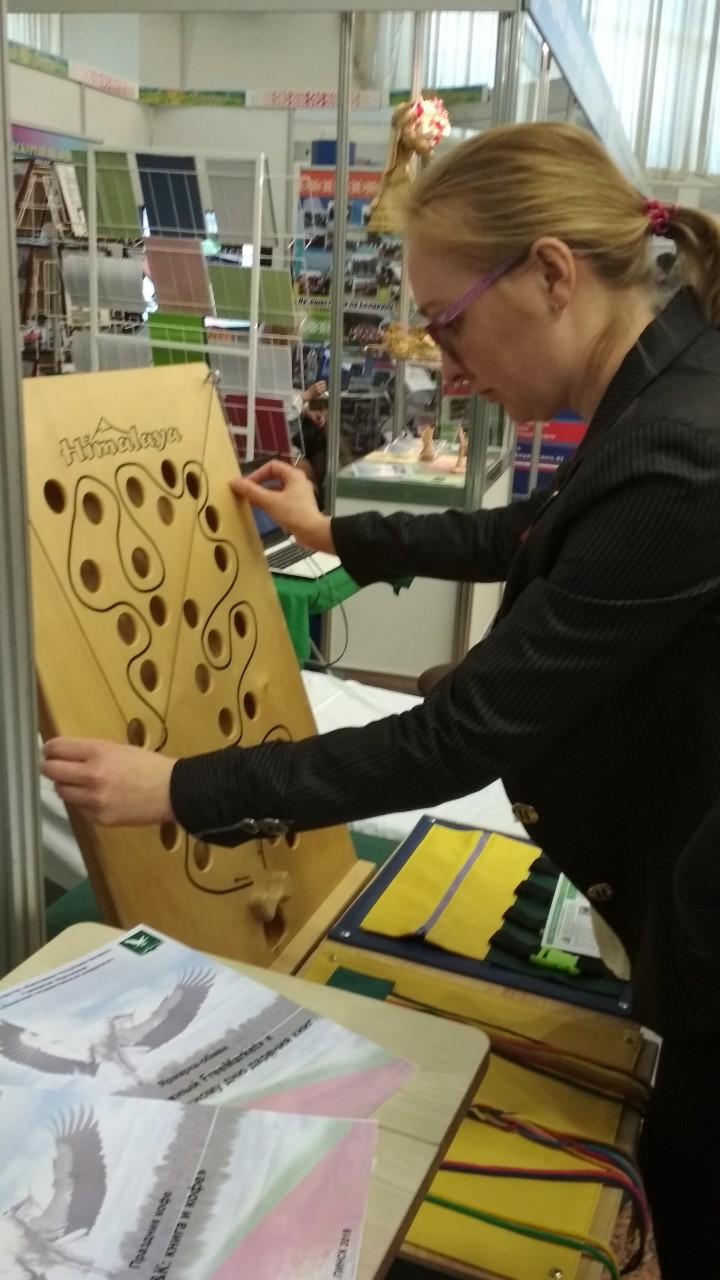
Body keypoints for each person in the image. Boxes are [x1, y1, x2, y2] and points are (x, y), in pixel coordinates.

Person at [43, 122, 720, 1278]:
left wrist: (181, 787)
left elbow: (459, 735)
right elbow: (534, 531)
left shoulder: (682, 452)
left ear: (552, 273)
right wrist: (337, 530)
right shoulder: (665, 386)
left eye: (451, 323)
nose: (447, 368)